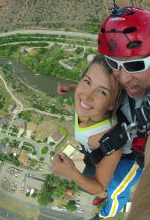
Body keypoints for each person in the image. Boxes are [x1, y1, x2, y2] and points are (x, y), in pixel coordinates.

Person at [55, 7, 150, 220]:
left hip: (129, 160)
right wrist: (75, 88)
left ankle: (106, 215)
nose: (124, 77)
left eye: (136, 65)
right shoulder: (125, 82)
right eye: (114, 64)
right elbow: (106, 87)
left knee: (115, 190)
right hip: (112, 150)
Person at [52, 54, 141, 206]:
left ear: (113, 104)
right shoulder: (89, 107)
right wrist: (73, 88)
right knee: (88, 178)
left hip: (127, 162)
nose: (86, 96)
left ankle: (109, 201)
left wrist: (72, 173)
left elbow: (99, 184)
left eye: (102, 92)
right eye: (87, 81)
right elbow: (91, 91)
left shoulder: (109, 141)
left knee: (112, 187)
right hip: (96, 153)